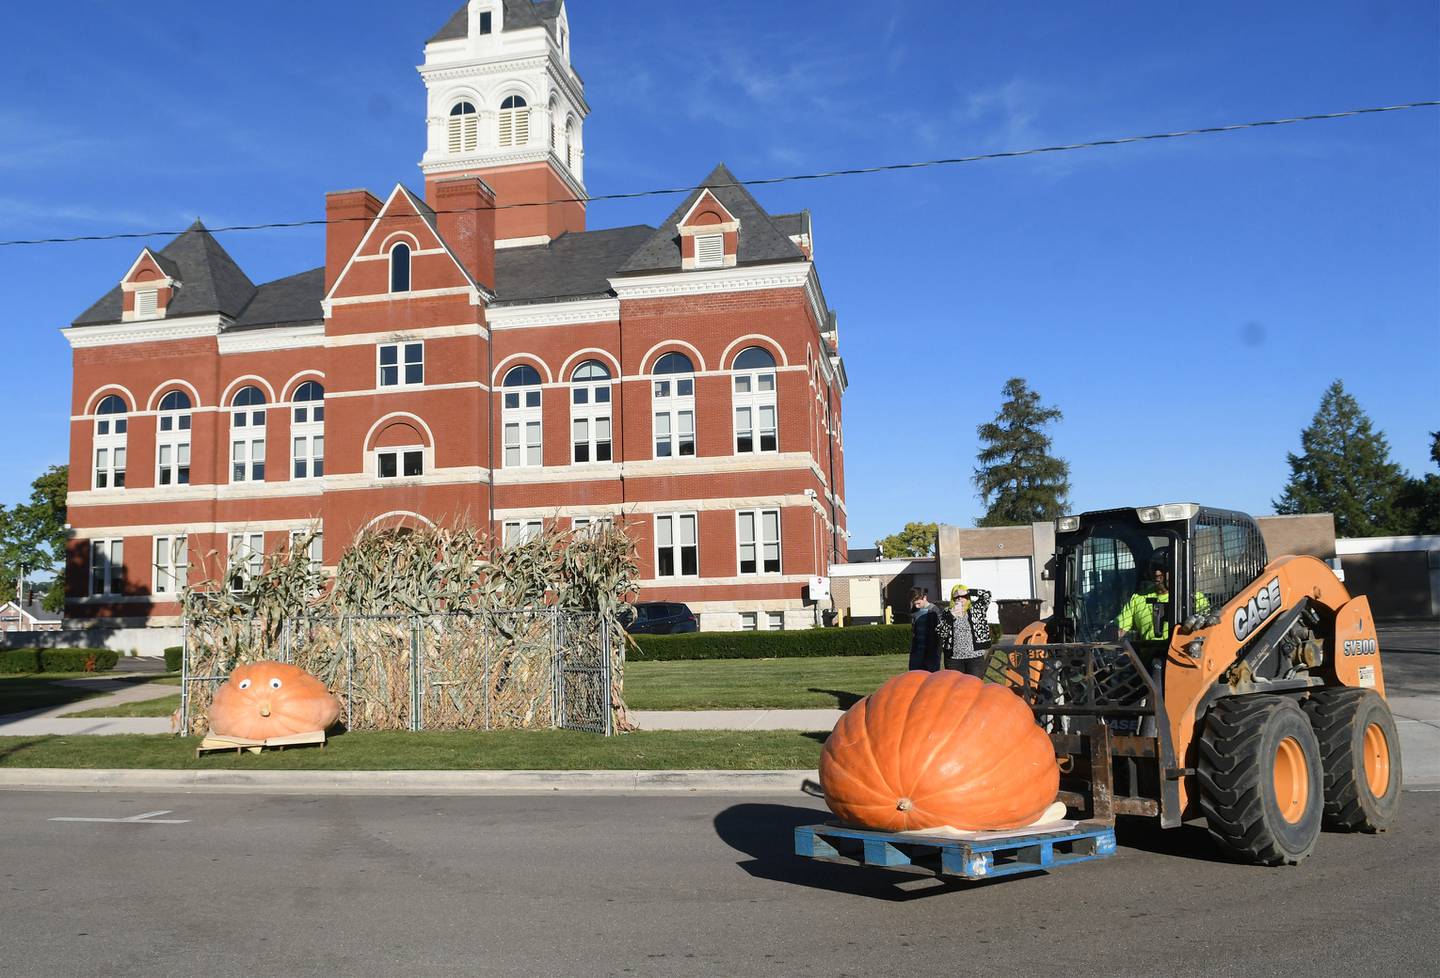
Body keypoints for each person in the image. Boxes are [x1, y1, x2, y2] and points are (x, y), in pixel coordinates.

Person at [941, 583, 994, 678]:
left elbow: (987, 595)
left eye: (963, 596)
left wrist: (969, 591)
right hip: (953, 659)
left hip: (974, 657)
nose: (960, 599)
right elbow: (940, 632)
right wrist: (950, 617)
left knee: (974, 687)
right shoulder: (947, 611)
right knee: (955, 688)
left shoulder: (977, 608)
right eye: (957, 597)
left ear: (968, 597)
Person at [907, 587, 941, 672]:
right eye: (914, 604)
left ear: (925, 598)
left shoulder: (935, 611)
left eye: (918, 603)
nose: (916, 606)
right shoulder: (914, 611)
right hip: (916, 652)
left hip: (931, 653)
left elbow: (939, 633)